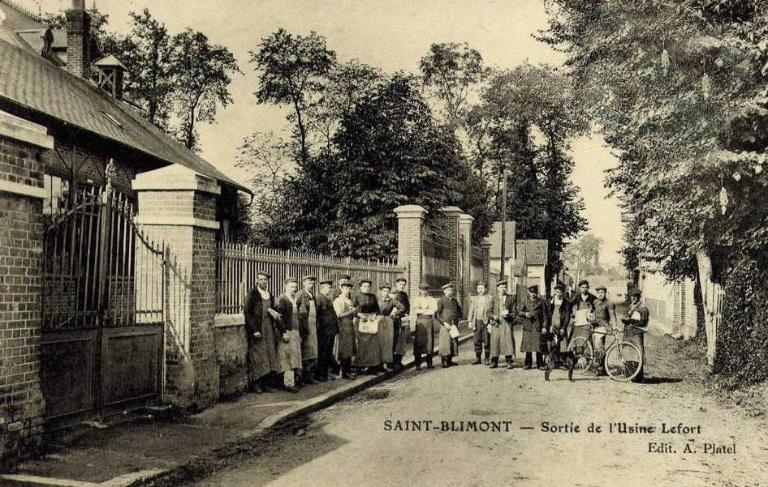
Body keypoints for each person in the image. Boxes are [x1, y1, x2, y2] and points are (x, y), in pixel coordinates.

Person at [242, 271, 281, 393]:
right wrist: (254, 330)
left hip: (269, 327)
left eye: (265, 279)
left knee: (269, 354)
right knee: (258, 356)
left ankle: (266, 384)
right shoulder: (252, 294)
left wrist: (275, 313)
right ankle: (256, 384)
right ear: (257, 280)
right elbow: (248, 313)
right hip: (258, 329)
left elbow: (272, 308)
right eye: (261, 279)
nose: (263, 281)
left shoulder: (269, 294)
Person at [274, 278, 303, 393]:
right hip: (286, 333)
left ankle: (294, 381)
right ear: (285, 286)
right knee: (287, 359)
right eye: (291, 286)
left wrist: (298, 333)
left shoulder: (295, 300)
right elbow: (278, 318)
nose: (294, 289)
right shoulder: (282, 300)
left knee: (295, 358)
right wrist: (283, 332)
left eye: (295, 287)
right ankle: (288, 383)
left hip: (295, 332)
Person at [355, 279, 383, 373]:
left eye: (368, 286)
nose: (366, 288)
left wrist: (374, 315)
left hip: (371, 321)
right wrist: (360, 315)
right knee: (362, 345)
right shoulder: (357, 297)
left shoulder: (373, 296)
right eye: (364, 286)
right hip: (362, 321)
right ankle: (361, 366)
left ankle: (372, 367)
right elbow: (354, 310)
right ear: (360, 287)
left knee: (372, 345)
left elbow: (377, 309)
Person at [545, 283, 572, 381]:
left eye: (561, 292)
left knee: (562, 343)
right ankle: (553, 362)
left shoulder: (566, 302)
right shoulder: (551, 301)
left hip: (561, 325)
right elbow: (548, 314)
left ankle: (561, 362)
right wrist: (549, 326)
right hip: (552, 324)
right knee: (552, 344)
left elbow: (567, 316)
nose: (559, 293)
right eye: (557, 291)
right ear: (555, 292)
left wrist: (564, 327)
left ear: (563, 292)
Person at [622, 288, 649, 382]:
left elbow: (643, 322)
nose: (633, 298)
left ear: (639, 297)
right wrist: (624, 319)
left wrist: (630, 320)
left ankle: (638, 377)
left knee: (638, 353)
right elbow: (624, 317)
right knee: (627, 352)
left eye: (635, 296)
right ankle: (629, 375)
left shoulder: (643, 308)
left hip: (636, 334)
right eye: (632, 296)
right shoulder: (630, 306)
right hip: (628, 333)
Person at [519, 284, 548, 370]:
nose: (533, 294)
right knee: (528, 345)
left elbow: (545, 315)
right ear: (528, 292)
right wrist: (525, 314)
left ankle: (540, 364)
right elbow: (519, 311)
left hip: (537, 326)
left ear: (537, 293)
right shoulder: (525, 301)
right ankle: (528, 363)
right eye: (531, 292)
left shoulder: (541, 301)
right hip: (527, 326)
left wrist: (544, 326)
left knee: (538, 345)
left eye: (535, 292)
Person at [488, 280, 516, 369]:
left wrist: (509, 315)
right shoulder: (493, 298)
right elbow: (488, 312)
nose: (503, 289)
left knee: (508, 341)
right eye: (501, 287)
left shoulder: (511, 298)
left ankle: (508, 361)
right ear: (497, 288)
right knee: (495, 342)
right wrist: (493, 316)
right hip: (496, 323)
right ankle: (494, 361)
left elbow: (514, 312)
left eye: (504, 287)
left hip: (506, 323)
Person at [296, 275, 319, 385]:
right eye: (309, 282)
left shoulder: (312, 295)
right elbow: (297, 311)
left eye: (312, 283)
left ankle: (310, 376)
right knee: (305, 352)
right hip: (305, 326)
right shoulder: (300, 295)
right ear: (303, 283)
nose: (311, 284)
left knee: (312, 352)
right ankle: (301, 379)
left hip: (313, 326)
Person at [315, 277, 339, 381]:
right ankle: (321, 374)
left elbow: (333, 315)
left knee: (328, 352)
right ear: (322, 288)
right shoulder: (319, 298)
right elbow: (318, 316)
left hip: (330, 330)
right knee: (323, 353)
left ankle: (325, 373)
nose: (329, 290)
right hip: (324, 331)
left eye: (330, 288)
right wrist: (320, 330)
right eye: (328, 288)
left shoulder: (328, 298)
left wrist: (336, 328)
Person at [333, 279, 358, 379]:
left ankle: (348, 369)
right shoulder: (338, 301)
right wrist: (351, 312)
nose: (347, 290)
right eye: (345, 288)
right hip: (343, 326)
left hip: (350, 326)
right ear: (341, 288)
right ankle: (344, 372)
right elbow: (338, 315)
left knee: (350, 348)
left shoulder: (349, 300)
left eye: (349, 288)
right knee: (344, 349)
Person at [377, 283, 405, 371]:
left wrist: (394, 314)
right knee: (378, 343)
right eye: (384, 291)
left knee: (389, 342)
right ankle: (379, 365)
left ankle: (389, 362)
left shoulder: (392, 301)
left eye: (387, 291)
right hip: (377, 322)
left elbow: (402, 308)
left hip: (388, 322)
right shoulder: (376, 300)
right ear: (380, 291)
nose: (386, 293)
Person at [592, 285, 618, 375]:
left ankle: (600, 368)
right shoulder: (595, 302)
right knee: (595, 347)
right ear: (596, 293)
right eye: (599, 292)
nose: (600, 294)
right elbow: (591, 311)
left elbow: (612, 316)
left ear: (605, 293)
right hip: (594, 325)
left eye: (602, 292)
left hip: (603, 326)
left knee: (600, 346)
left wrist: (615, 327)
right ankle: (596, 366)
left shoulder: (609, 303)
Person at [435, 282, 462, 368]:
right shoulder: (441, 300)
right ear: (444, 291)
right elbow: (437, 315)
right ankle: (444, 361)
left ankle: (450, 360)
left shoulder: (454, 301)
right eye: (447, 290)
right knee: (445, 343)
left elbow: (459, 310)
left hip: (454, 325)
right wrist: (444, 323)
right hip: (445, 325)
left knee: (453, 342)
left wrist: (459, 318)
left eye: (451, 290)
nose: (449, 291)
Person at [467, 281, 494, 365]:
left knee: (487, 341)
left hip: (486, 322)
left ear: (485, 289)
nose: (480, 290)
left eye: (482, 288)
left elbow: (493, 310)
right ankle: (478, 358)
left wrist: (491, 321)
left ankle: (486, 358)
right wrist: (469, 321)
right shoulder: (474, 298)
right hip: (477, 322)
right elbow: (471, 310)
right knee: (477, 341)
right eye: (478, 288)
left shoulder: (490, 298)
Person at [412, 283, 437, 369]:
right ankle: (417, 364)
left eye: (425, 290)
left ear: (428, 290)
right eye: (422, 290)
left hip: (429, 322)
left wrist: (423, 311)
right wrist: (426, 310)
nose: (424, 292)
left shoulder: (431, 299)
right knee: (419, 341)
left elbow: (433, 310)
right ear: (420, 290)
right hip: (420, 323)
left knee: (429, 341)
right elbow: (416, 310)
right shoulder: (417, 299)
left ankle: (429, 362)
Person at [570, 279, 597, 346]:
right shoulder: (576, 297)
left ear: (588, 288)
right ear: (579, 288)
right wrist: (572, 314)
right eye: (582, 287)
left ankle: (587, 354)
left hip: (587, 322)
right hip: (579, 321)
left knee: (587, 338)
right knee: (576, 338)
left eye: (586, 287)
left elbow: (596, 308)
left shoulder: (592, 297)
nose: (584, 289)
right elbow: (569, 305)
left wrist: (592, 314)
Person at [392, 277, 411, 371]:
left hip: (403, 319)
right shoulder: (393, 294)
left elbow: (407, 306)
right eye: (400, 284)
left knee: (401, 341)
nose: (402, 286)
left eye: (404, 285)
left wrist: (407, 313)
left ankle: (398, 361)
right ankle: (392, 362)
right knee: (394, 340)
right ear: (396, 284)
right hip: (394, 320)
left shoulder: (404, 294)